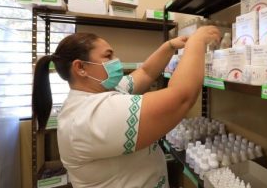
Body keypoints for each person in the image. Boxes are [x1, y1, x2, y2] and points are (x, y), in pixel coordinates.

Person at [32, 26, 220, 188]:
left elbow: (145, 73)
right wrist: (197, 42)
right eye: (108, 56)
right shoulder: (91, 116)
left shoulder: (102, 90)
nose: (116, 60)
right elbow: (182, 97)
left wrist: (169, 46)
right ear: (80, 67)